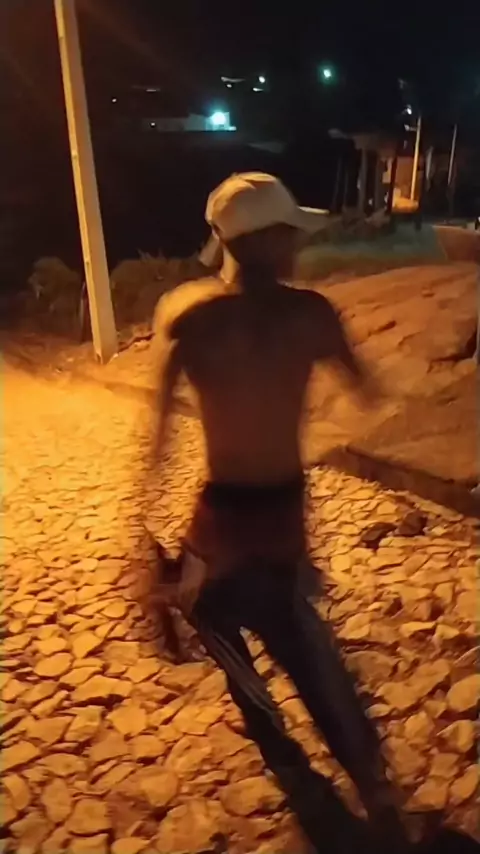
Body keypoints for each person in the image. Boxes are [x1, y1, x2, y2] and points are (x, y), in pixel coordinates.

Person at [148, 172, 408, 853]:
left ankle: (284, 755)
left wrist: (138, 538)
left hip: (217, 522)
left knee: (223, 631)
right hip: (280, 515)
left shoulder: (192, 323)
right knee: (308, 652)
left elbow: (156, 441)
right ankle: (369, 783)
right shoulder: (311, 316)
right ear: (265, 240)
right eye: (290, 232)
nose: (298, 245)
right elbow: (369, 393)